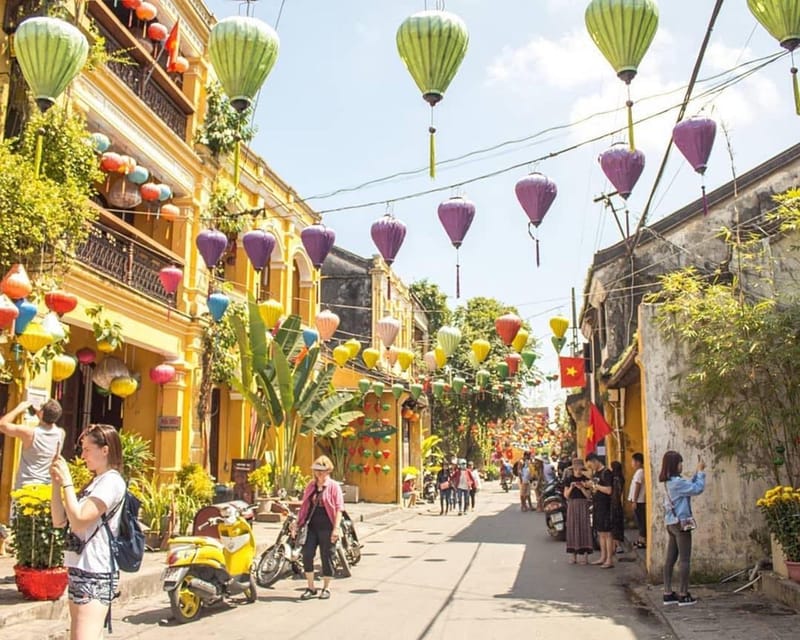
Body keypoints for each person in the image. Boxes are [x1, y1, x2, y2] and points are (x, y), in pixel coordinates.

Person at [50, 424, 126, 640]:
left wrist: (67, 481)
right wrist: (57, 483)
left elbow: (80, 519)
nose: (82, 456)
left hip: (95, 571)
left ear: (105, 450)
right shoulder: (95, 482)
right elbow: (60, 520)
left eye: (87, 449)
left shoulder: (111, 481)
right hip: (79, 567)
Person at [293, 455, 344, 600]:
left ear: (328, 471)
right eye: (317, 470)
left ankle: (326, 587)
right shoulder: (311, 485)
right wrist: (297, 523)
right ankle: (311, 587)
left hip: (328, 524)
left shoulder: (334, 486)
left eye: (322, 471)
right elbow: (304, 506)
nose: (319, 473)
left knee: (326, 555)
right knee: (307, 554)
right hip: (311, 525)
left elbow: (340, 508)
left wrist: (336, 528)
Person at [660, 450, 706, 607]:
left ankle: (667, 592)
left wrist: (696, 473)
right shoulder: (677, 483)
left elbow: (690, 486)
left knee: (670, 559)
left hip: (671, 523)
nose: (681, 465)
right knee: (684, 560)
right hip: (681, 524)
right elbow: (697, 489)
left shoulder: (669, 482)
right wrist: (700, 472)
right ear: (674, 465)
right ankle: (683, 593)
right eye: (680, 463)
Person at [0, 399, 64, 489]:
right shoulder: (60, 433)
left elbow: (2, 425)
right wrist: (41, 415)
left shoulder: (30, 433)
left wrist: (19, 408)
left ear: (42, 413)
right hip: (46, 486)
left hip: (26, 485)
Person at [586, 453, 614, 568]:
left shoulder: (606, 473)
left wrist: (594, 485)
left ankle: (609, 559)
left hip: (606, 506)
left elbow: (608, 490)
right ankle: (603, 556)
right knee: (600, 533)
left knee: (607, 533)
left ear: (595, 461)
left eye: (591, 465)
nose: (591, 468)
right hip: (597, 505)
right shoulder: (596, 473)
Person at [563, 458, 593, 564]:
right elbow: (566, 495)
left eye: (580, 469)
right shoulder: (568, 479)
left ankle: (585, 557)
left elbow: (589, 496)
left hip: (583, 504)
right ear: (573, 469)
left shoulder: (586, 479)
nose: (578, 471)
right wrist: (571, 487)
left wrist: (582, 488)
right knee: (572, 528)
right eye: (576, 469)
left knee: (584, 528)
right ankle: (573, 556)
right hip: (572, 504)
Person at [628, 452, 647, 549]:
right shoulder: (639, 472)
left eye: (633, 461)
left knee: (641, 521)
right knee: (639, 520)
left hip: (639, 501)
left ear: (638, 462)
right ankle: (640, 539)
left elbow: (637, 486)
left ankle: (642, 540)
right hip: (637, 500)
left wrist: (634, 500)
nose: (632, 463)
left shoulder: (640, 472)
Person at [610, 460, 626, 553]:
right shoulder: (621, 478)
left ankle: (616, 545)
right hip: (618, 503)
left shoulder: (614, 478)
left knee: (613, 524)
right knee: (618, 524)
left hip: (613, 503)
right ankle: (617, 544)